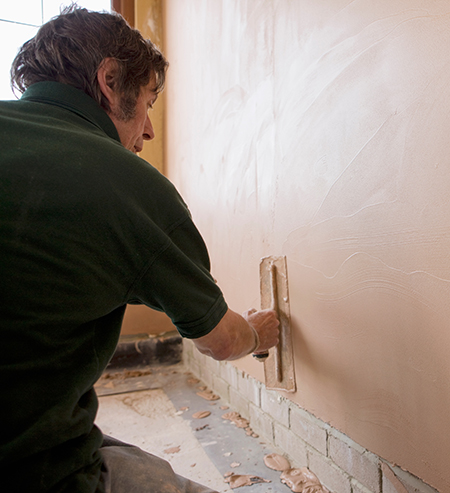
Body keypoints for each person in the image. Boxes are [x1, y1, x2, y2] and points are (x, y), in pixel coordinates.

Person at [0, 6, 279, 492]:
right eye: (149, 101)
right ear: (109, 80)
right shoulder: (127, 185)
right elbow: (220, 340)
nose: (148, 131)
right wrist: (256, 334)